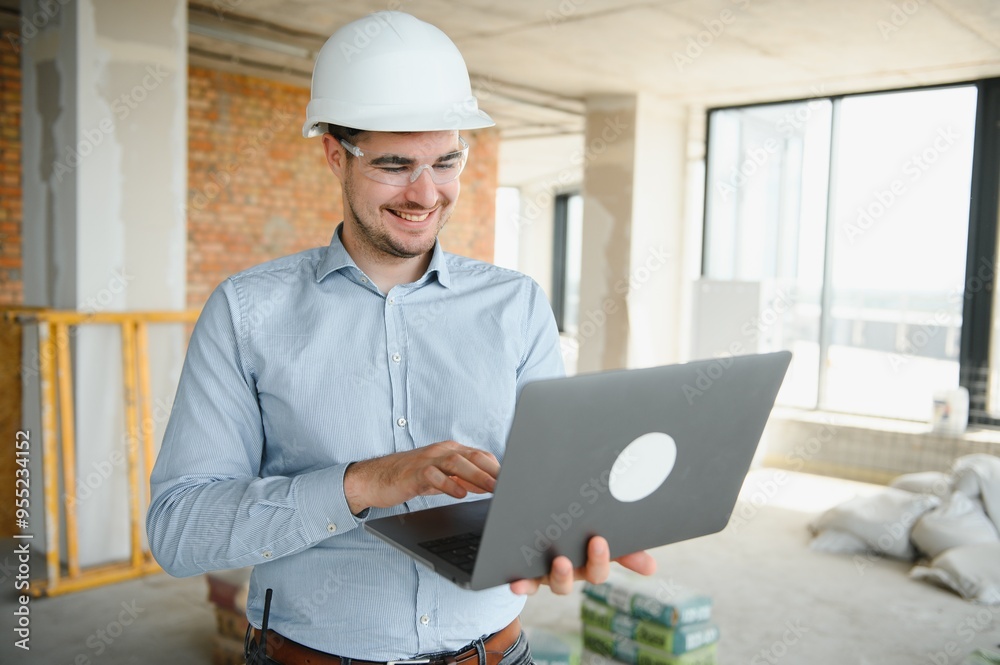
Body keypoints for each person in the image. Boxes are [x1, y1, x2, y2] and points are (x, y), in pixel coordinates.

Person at [146, 10, 654, 665]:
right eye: (395, 164)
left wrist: (574, 531)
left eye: (446, 162)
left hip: (496, 652)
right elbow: (181, 530)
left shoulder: (516, 304)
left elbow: (549, 491)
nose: (425, 192)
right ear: (334, 153)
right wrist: (362, 482)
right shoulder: (248, 312)